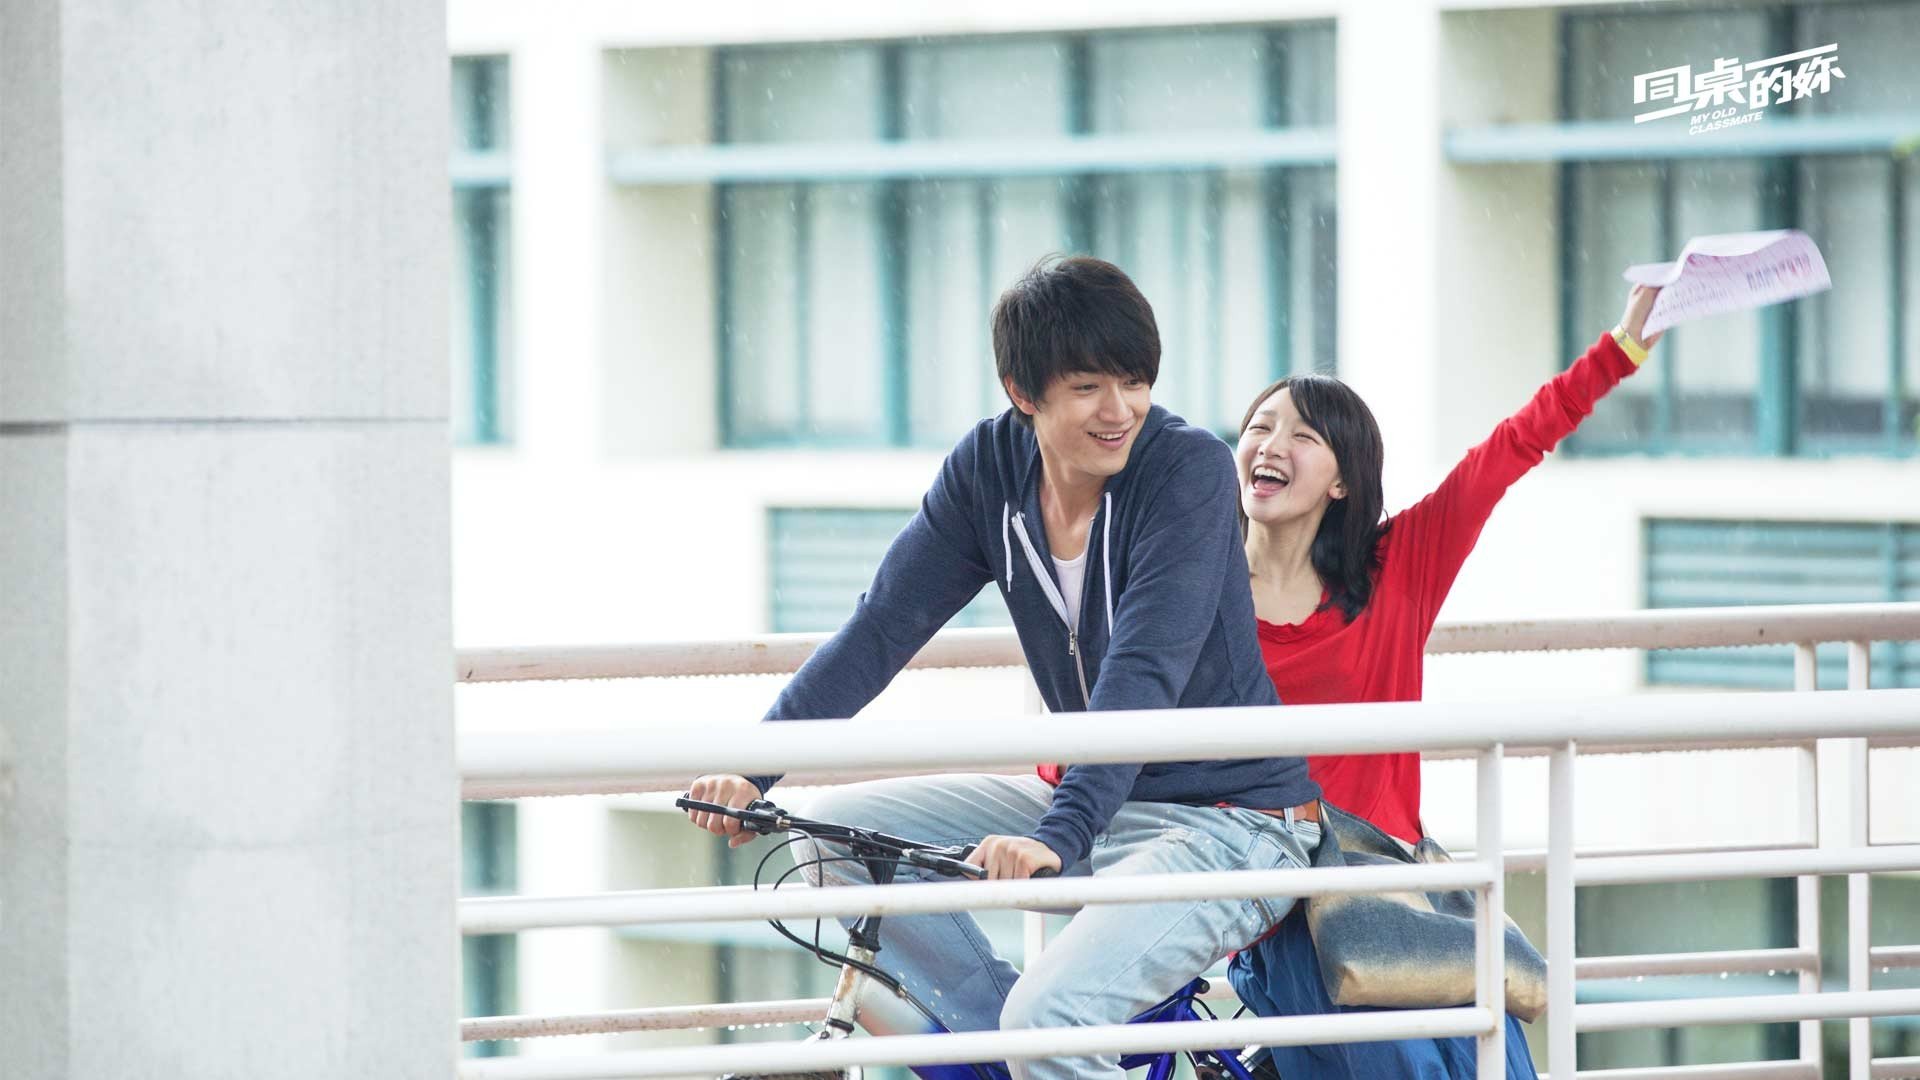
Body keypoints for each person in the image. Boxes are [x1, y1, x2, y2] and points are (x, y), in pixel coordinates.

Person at [681, 255, 1323, 1080]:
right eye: (1088, 387)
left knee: (1048, 1023)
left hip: (1233, 824)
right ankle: (1003, 1051)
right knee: (833, 837)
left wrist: (1058, 834)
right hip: (1099, 802)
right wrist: (754, 768)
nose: (1120, 410)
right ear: (1023, 392)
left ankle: (1031, 1045)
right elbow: (881, 628)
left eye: (1135, 382)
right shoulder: (988, 471)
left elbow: (1144, 672)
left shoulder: (1187, 471)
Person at [1225, 283, 1666, 1078]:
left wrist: (1622, 349)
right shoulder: (1198, 592)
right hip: (1278, 908)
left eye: (1303, 434)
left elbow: (1507, 451)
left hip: (1400, 894)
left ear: (1342, 482)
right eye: (1260, 426)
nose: (1271, 444)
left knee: (1496, 1062)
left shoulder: (1393, 569)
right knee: (1409, 1066)